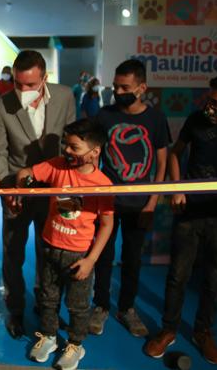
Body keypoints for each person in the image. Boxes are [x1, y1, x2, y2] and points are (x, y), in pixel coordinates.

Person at [0, 50, 75, 338]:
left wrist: (67, 187)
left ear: (44, 78)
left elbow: (69, 145)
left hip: (53, 189)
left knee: (48, 252)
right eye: (18, 84)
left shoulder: (64, 97)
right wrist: (7, 187)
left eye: (30, 85)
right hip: (17, 189)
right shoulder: (1, 105)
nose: (23, 91)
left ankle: (45, 306)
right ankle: (15, 310)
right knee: (13, 253)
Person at [15, 118, 114, 370]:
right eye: (66, 145)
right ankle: (48, 336)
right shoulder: (57, 166)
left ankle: (75, 345)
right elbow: (26, 173)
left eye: (74, 147)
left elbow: (106, 225)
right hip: (49, 246)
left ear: (95, 152)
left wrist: (91, 260)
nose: (67, 151)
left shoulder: (103, 185)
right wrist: (22, 184)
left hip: (78, 254)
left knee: (78, 306)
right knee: (47, 298)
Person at [144, 73, 217, 365]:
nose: (211, 107)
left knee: (215, 277)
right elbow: (176, 154)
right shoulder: (195, 120)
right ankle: (168, 329)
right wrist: (177, 189)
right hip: (189, 211)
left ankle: (203, 332)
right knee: (178, 274)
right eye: (211, 100)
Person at [89, 59, 170, 337]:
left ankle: (126, 308)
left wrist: (152, 202)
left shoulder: (156, 118)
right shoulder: (104, 115)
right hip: (107, 203)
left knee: (132, 258)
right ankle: (100, 306)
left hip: (140, 204)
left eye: (125, 86)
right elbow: (93, 156)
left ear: (141, 87)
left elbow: (161, 161)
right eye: (115, 85)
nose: (118, 91)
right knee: (102, 255)